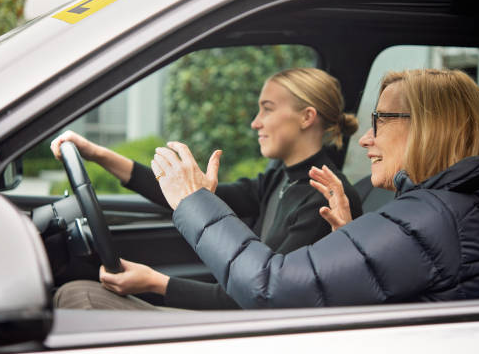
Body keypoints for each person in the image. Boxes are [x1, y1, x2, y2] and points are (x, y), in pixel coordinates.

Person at [152, 68, 479, 308]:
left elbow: (269, 287)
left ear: (427, 126)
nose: (366, 138)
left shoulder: (434, 217)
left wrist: (193, 200)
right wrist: (350, 238)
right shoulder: (451, 208)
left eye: (380, 121)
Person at [51, 67, 363, 310]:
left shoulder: (325, 197)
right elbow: (183, 199)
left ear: (307, 117)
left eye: (267, 109)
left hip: (248, 328)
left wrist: (155, 283)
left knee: (79, 297)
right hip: (234, 310)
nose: (256, 122)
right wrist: (96, 154)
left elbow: (263, 297)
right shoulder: (281, 179)